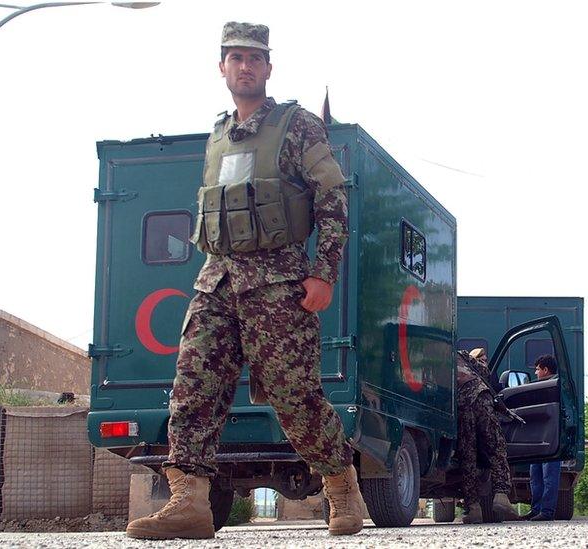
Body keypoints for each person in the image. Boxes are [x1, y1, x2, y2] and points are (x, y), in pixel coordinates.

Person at [126, 22, 363, 539]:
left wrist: (324, 273)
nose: (245, 66)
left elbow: (333, 200)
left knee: (292, 394)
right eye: (235, 58)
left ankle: (341, 483)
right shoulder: (216, 135)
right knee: (192, 389)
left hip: (278, 281)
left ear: (268, 68)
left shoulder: (298, 125)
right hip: (216, 283)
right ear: (222, 68)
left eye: (254, 58)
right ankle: (189, 502)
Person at [455, 350, 518, 524]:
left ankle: (474, 508)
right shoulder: (459, 353)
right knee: (496, 445)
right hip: (480, 398)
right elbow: (485, 372)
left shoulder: (430, 358)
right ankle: (501, 495)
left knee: (468, 457)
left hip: (459, 407)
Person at [522, 354, 561, 521]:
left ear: (546, 370)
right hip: (538, 438)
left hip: (551, 439)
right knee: (536, 475)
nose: (536, 372)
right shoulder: (538, 386)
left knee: (549, 476)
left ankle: (547, 511)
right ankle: (536, 509)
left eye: (538, 369)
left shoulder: (556, 386)